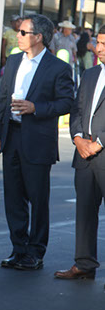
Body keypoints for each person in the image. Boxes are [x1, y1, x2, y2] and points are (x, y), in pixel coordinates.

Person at [0, 14, 74, 270]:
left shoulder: (58, 67)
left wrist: (36, 107)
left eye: (23, 32)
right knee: (13, 198)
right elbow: (3, 98)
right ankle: (18, 249)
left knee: (37, 200)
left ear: (38, 37)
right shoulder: (14, 60)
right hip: (11, 136)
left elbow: (67, 102)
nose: (18, 35)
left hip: (38, 140)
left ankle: (35, 252)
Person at [54, 25, 105, 282]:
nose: (98, 49)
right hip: (84, 157)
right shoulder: (90, 73)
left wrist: (99, 143)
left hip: (101, 152)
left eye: (104, 44)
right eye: (98, 43)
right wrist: (77, 138)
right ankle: (84, 264)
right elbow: (77, 109)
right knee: (85, 213)